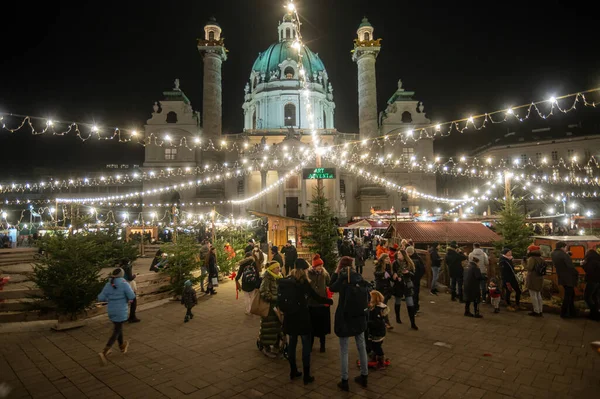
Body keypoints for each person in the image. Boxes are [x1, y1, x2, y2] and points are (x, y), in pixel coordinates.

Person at [281, 260, 333, 384]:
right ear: (304, 270)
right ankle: (306, 375)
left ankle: (293, 370)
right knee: (306, 347)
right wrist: (328, 301)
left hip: (290, 318)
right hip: (303, 318)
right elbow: (315, 297)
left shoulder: (287, 281)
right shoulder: (304, 283)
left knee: (292, 346)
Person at [329, 256, 370, 391]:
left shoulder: (342, 278)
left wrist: (336, 272)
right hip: (358, 316)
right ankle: (364, 376)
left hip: (345, 316)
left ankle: (344, 380)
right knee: (361, 346)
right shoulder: (358, 277)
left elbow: (331, 287)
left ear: (341, 265)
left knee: (344, 349)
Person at [97, 268, 136, 366]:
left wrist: (110, 298)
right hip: (120, 310)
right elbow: (131, 296)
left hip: (111, 310)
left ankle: (122, 346)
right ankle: (105, 350)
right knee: (117, 330)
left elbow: (100, 298)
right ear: (122, 275)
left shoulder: (108, 284)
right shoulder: (124, 283)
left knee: (118, 327)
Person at [259, 261, 283, 358]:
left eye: (279, 267)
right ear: (272, 268)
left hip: (277, 307)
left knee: (277, 327)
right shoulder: (267, 277)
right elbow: (263, 292)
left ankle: (276, 346)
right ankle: (266, 347)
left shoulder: (279, 277)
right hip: (269, 308)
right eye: (277, 268)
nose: (279, 269)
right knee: (268, 328)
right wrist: (275, 298)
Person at [308, 254, 331, 353]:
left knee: (322, 328)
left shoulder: (325, 274)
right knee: (312, 327)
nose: (320, 268)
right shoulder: (309, 274)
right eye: (318, 266)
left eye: (321, 266)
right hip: (312, 304)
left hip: (322, 304)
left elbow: (329, 283)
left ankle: (323, 346)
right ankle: (310, 345)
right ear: (314, 266)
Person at [391, 249, 418, 330]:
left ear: (403, 255)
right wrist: (395, 277)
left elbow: (414, 275)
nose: (398, 255)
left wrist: (408, 273)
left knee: (410, 304)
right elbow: (392, 274)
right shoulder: (395, 263)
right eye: (398, 253)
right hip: (398, 285)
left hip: (407, 285)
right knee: (398, 301)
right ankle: (398, 317)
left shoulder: (409, 263)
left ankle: (413, 323)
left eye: (399, 253)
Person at [551, 241, 579, 318]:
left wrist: (566, 254)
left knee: (570, 294)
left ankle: (572, 312)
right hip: (568, 277)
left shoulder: (553, 254)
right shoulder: (563, 255)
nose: (566, 249)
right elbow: (570, 266)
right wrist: (576, 273)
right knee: (568, 296)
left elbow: (561, 261)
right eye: (566, 247)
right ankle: (564, 313)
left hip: (562, 276)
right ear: (562, 247)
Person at [367, 290, 389, 370]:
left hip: (377, 332)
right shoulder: (377, 308)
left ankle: (381, 362)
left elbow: (376, 322)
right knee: (373, 345)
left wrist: (367, 323)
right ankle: (375, 356)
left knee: (376, 346)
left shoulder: (377, 310)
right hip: (377, 331)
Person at [525, 245, 545, 317]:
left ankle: (536, 311)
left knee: (533, 295)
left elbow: (529, 268)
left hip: (533, 278)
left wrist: (524, 263)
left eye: (528, 250)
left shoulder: (532, 258)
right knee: (538, 294)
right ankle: (540, 310)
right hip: (540, 278)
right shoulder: (541, 258)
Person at [373, 253, 393, 329]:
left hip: (387, 289)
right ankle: (385, 322)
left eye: (388, 259)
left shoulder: (389, 266)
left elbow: (390, 276)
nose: (388, 260)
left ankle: (383, 322)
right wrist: (383, 274)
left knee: (383, 305)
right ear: (383, 260)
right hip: (380, 288)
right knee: (383, 305)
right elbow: (376, 274)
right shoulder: (379, 266)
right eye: (386, 259)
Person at [583, 249, 600, 320]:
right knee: (595, 297)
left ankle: (594, 313)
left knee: (587, 297)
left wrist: (583, 265)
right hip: (598, 281)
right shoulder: (598, 259)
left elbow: (589, 271)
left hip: (592, 281)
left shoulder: (591, 261)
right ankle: (596, 314)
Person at [407, 246, 425, 313]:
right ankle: (416, 308)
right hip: (416, 280)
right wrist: (419, 277)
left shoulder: (410, 260)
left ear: (409, 253)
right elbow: (423, 269)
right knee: (416, 294)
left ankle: (413, 309)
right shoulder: (419, 258)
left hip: (412, 279)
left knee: (412, 294)